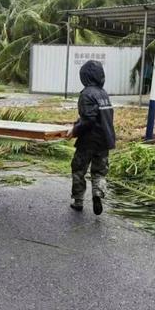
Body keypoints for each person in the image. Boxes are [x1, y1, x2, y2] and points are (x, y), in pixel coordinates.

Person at [67, 60, 116, 215]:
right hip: (105, 140)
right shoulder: (103, 94)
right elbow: (100, 117)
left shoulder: (86, 94)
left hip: (88, 141)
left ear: (85, 76)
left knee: (78, 169)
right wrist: (76, 124)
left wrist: (74, 130)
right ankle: (97, 193)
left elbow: (88, 119)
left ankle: (78, 201)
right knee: (99, 172)